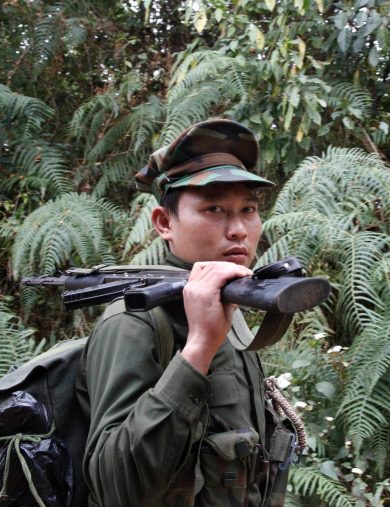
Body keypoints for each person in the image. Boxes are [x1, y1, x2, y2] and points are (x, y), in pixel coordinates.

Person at [76, 119, 296, 506]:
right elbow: (115, 489)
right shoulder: (134, 322)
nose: (239, 230)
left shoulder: (229, 305)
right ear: (164, 223)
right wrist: (197, 349)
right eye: (214, 209)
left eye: (248, 209)